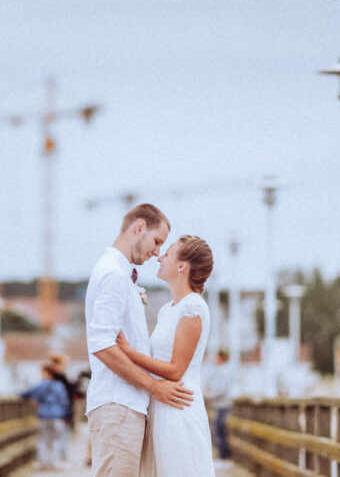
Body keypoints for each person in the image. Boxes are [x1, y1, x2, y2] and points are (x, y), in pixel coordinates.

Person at [85, 203, 194, 476]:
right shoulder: (113, 274)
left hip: (124, 405)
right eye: (157, 241)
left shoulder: (119, 273)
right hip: (118, 403)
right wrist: (152, 386)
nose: (157, 252)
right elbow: (101, 344)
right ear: (139, 227)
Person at [116, 234, 216, 476]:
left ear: (182, 266)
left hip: (179, 405)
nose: (160, 257)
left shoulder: (193, 307)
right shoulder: (167, 310)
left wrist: (128, 352)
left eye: (167, 254)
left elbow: (175, 370)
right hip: (161, 404)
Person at [20, 362, 71, 470]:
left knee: (43, 439)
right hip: (58, 416)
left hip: (44, 416)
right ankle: (54, 463)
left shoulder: (41, 385)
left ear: (46, 372)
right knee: (56, 439)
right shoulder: (59, 386)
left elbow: (26, 393)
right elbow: (65, 402)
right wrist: (66, 415)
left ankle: (42, 463)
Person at [204, 350, 234, 463]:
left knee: (220, 432)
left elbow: (221, 389)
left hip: (222, 406)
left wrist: (208, 394)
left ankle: (224, 458)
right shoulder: (223, 370)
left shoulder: (223, 371)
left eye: (216, 357)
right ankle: (223, 458)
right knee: (219, 432)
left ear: (221, 357)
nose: (214, 359)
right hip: (221, 405)